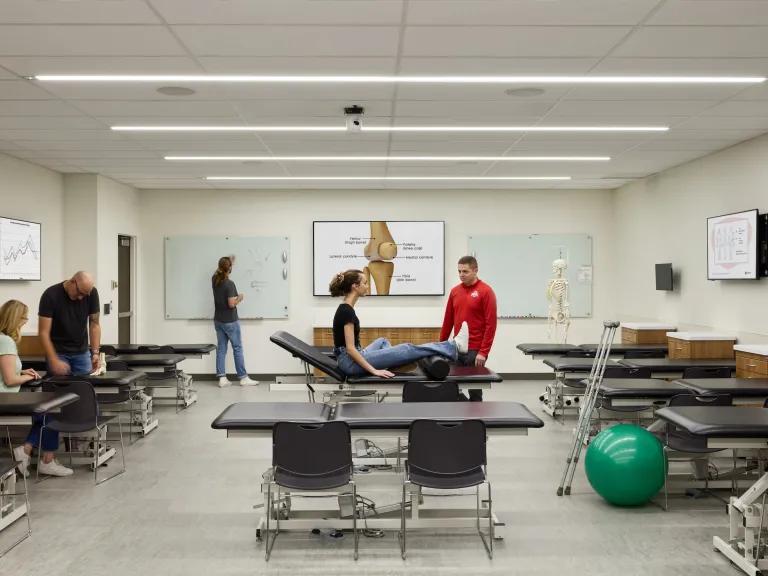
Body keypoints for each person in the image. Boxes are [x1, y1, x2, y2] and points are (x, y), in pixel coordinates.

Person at [330, 269, 469, 377]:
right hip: (350, 363)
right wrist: (374, 371)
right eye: (365, 283)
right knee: (407, 348)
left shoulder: (346, 308)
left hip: (350, 358)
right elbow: (350, 349)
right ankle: (454, 346)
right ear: (355, 286)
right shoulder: (346, 311)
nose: (367, 286)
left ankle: (397, 361)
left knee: (382, 341)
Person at [0, 299, 72, 477]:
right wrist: (27, 376)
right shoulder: (6, 341)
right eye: (24, 318)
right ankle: (45, 460)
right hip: (6, 397)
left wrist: (21, 370)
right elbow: (9, 380)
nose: (25, 322)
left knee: (46, 412)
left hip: (6, 395)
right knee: (50, 412)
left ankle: (26, 451)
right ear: (15, 319)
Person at [440, 256, 498, 402]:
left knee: (475, 390)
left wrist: (483, 352)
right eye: (459, 271)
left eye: (465, 271)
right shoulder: (454, 292)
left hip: (476, 350)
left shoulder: (485, 291)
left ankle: (475, 418)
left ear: (475, 270)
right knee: (449, 385)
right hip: (456, 348)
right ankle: (463, 412)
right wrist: (441, 346)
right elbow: (448, 322)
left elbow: (491, 325)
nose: (461, 275)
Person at [39, 271, 102, 377]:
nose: (81, 297)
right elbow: (43, 333)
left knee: (84, 390)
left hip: (82, 353)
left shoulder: (91, 293)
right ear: (72, 282)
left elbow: (94, 324)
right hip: (58, 353)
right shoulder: (50, 295)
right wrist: (53, 359)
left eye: (85, 295)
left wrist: (95, 352)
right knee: (58, 391)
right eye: (80, 293)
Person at [212, 255, 258, 388]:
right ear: (229, 268)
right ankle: (243, 378)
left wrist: (228, 262)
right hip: (230, 322)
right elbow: (231, 304)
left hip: (218, 321)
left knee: (221, 349)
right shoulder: (229, 284)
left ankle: (222, 379)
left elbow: (219, 271)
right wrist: (240, 297)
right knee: (237, 349)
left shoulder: (214, 280)